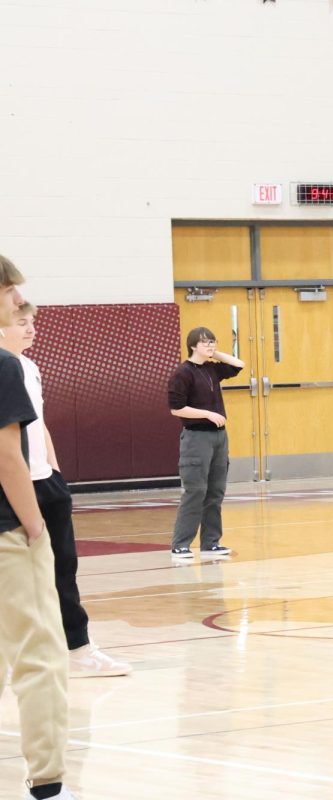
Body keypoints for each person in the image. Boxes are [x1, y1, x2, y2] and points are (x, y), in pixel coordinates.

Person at [0, 302, 131, 677]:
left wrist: (54, 473)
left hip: (45, 482)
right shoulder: (3, 369)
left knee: (63, 569)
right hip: (14, 485)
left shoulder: (29, 367)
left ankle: (78, 649)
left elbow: (38, 424)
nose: (30, 329)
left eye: (31, 323)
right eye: (20, 322)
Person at [0, 255, 77, 800]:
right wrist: (34, 526)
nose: (16, 304)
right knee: (41, 656)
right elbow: (8, 458)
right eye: (10, 294)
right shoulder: (4, 365)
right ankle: (47, 785)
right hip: (5, 530)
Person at [167, 327, 244, 559]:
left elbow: (238, 364)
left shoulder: (212, 369)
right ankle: (180, 544)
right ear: (193, 345)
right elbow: (176, 408)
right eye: (204, 342)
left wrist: (215, 353)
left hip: (219, 438)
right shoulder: (182, 373)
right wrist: (207, 414)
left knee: (215, 490)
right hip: (196, 437)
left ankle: (211, 543)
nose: (210, 346)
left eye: (212, 341)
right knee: (195, 491)